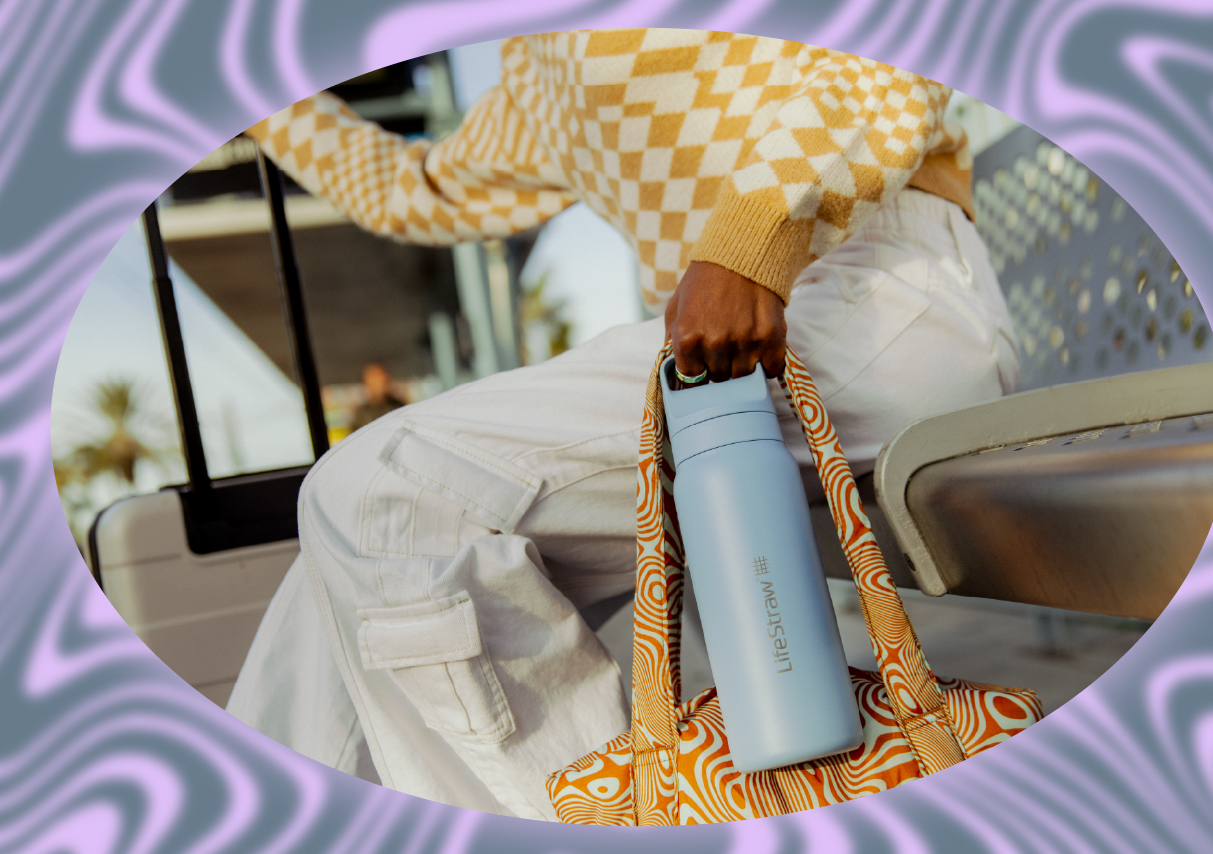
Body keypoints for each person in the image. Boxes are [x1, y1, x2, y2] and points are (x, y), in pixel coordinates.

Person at [227, 29, 1019, 820]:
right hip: (724, 352)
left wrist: (749, 244)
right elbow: (418, 188)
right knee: (343, 570)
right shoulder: (536, 66)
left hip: (872, 293)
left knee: (383, 495)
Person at [349, 361, 405, 431]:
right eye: (372, 377)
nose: (376, 381)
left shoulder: (398, 406)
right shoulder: (361, 413)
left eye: (378, 376)